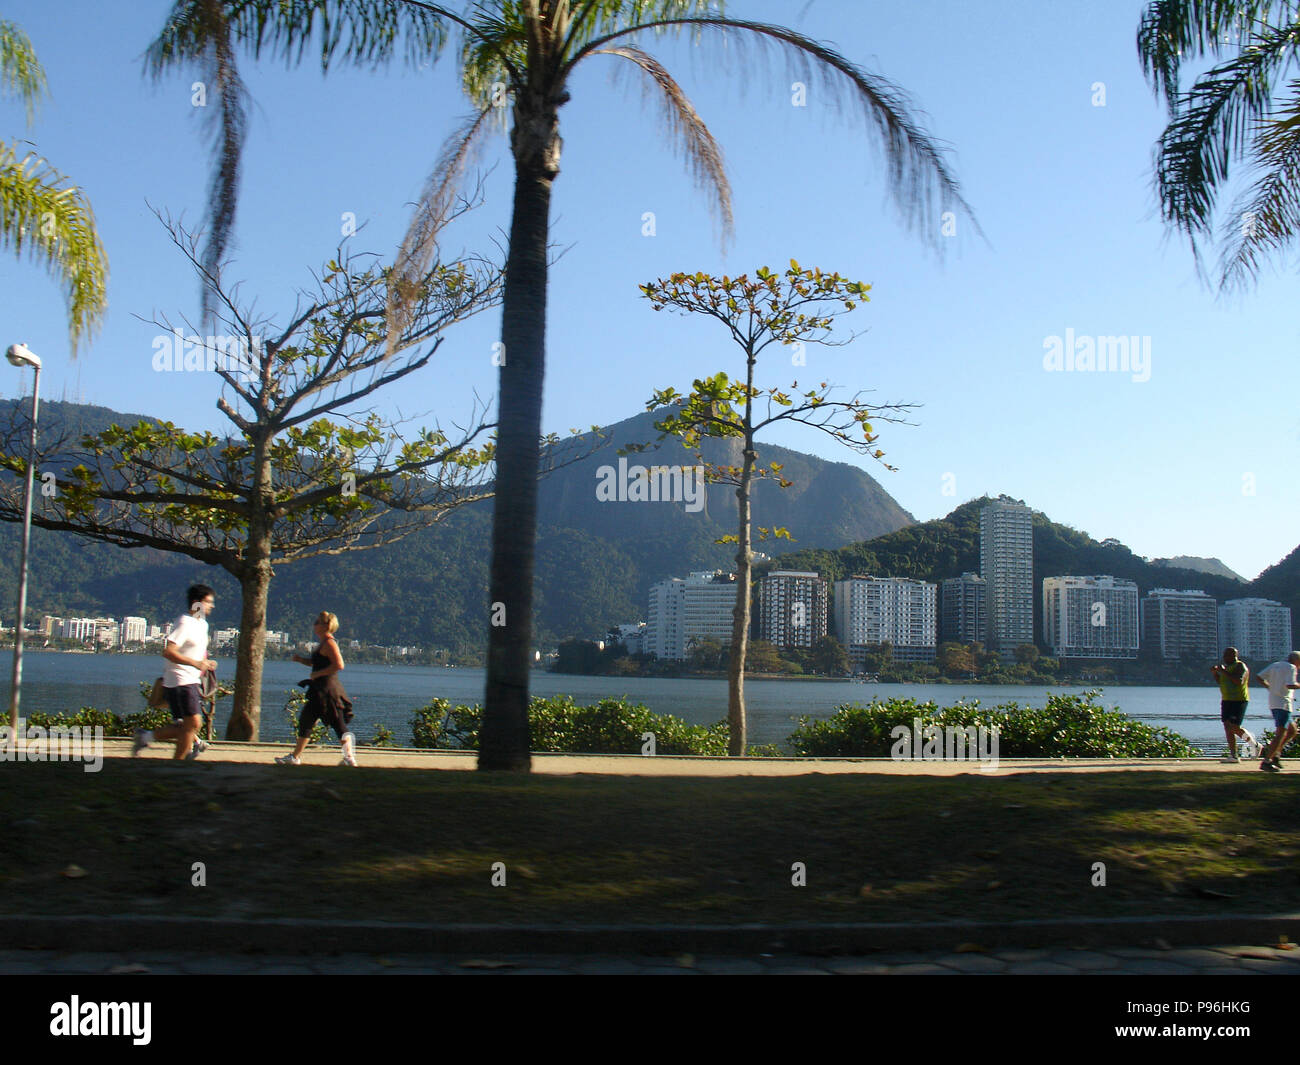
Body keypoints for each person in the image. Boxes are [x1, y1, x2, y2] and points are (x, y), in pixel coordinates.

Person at [133, 584, 216, 760]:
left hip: (190, 679)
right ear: (196, 603)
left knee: (185, 726)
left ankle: (145, 737)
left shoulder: (203, 625)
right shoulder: (185, 622)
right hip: (179, 680)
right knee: (193, 723)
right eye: (208, 602)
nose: (212, 606)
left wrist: (205, 663)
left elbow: (194, 651)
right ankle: (178, 762)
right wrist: (195, 663)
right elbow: (169, 652)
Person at [276, 611, 357, 766]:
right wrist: (301, 660)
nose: (314, 625)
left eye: (317, 622)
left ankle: (349, 758)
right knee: (307, 720)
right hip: (319, 690)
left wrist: (318, 673)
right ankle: (295, 757)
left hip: (328, 691)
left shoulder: (329, 643)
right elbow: (319, 663)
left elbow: (339, 665)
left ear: (326, 626)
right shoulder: (323, 643)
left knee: (338, 723)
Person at [1255, 652, 1300, 773]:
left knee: (1292, 730)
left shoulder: (1275, 665)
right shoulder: (1292, 667)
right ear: (1296, 661)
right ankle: (1267, 761)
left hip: (1274, 703)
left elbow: (1259, 677)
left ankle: (1276, 754)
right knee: (1281, 733)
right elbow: (1290, 684)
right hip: (1284, 704)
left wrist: (1269, 687)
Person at [1211, 647, 1255, 763]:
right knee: (1227, 726)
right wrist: (1215, 673)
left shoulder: (1240, 666)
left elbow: (1238, 681)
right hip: (1226, 700)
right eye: (1224, 655)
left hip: (1238, 700)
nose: (1225, 658)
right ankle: (1233, 755)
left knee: (1234, 727)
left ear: (1234, 656)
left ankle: (1253, 744)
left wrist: (1223, 671)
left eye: (1228, 655)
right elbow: (1222, 682)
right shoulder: (1227, 668)